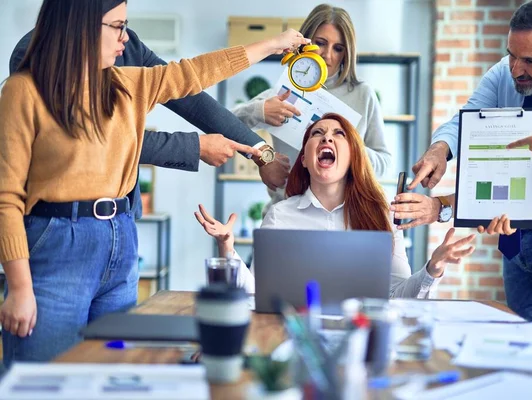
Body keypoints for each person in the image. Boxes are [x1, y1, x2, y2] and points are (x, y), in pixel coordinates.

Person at [0, 0, 309, 365]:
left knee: (114, 374)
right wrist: (19, 287)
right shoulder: (24, 89)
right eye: (117, 26)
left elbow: (193, 74)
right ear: (80, 27)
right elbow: (7, 198)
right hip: (58, 245)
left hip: (120, 241)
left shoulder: (124, 84)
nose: (126, 37)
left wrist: (273, 45)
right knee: (45, 380)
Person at [398, 0, 532, 336]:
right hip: (515, 235)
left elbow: (525, 183)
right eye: (512, 54)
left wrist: (441, 207)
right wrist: (440, 150)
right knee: (520, 339)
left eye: (530, 60)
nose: (515, 68)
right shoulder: (502, 73)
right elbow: (466, 121)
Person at [9, 27, 291, 220]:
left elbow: (189, 93)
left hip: (121, 221)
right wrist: (193, 147)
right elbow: (91, 139)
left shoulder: (126, 44)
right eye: (117, 24)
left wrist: (261, 154)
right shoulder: (36, 53)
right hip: (57, 224)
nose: (123, 35)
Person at [195, 113, 475, 298]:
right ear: (303, 158)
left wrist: (433, 267)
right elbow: (257, 293)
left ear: (353, 156)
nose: (327, 137)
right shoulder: (280, 215)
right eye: (318, 133)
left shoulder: (381, 216)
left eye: (338, 134)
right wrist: (228, 248)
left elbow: (398, 296)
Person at [232, 4, 392, 207]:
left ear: (347, 53)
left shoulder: (363, 94)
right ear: (305, 42)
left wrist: (348, 148)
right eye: (321, 43)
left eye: (338, 48)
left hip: (346, 217)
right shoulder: (285, 91)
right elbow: (224, 125)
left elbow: (384, 164)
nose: (328, 55)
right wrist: (260, 122)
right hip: (286, 213)